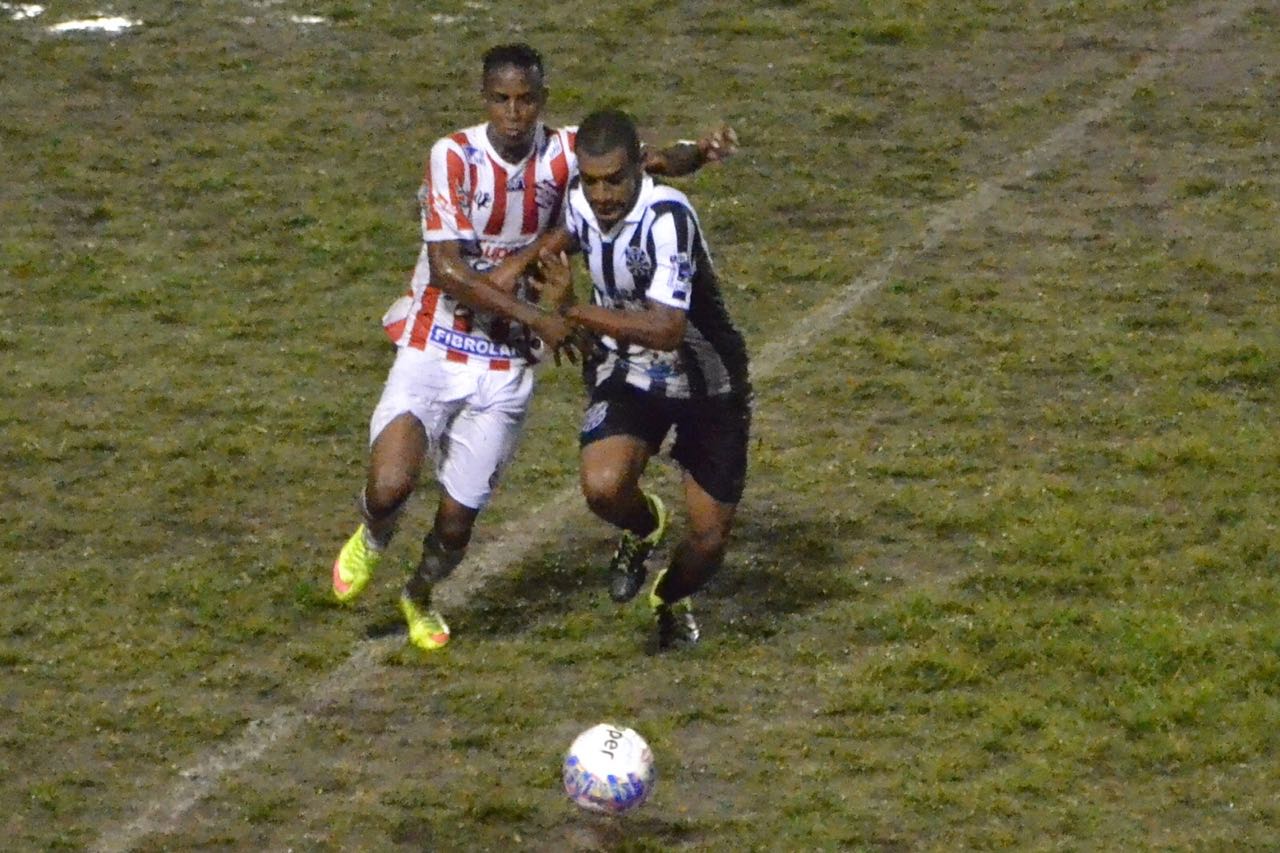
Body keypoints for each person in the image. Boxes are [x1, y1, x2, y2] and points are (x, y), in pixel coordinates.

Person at [330, 43, 737, 652]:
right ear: (484, 100)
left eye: (526, 100)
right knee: (391, 483)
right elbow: (447, 270)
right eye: (502, 100)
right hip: (435, 340)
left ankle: (418, 595)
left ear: (542, 102)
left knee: (457, 522)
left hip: (505, 364)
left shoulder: (565, 152)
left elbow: (648, 162)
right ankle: (373, 533)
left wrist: (698, 154)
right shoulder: (454, 156)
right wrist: (543, 316)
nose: (514, 113)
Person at [528, 108, 752, 651]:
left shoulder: (667, 219)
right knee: (603, 489)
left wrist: (574, 313)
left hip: (708, 385)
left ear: (638, 171)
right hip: (629, 372)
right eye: (591, 181)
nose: (602, 195)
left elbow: (667, 328)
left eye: (614, 181)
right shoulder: (583, 202)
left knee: (708, 537)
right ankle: (644, 524)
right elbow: (557, 244)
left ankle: (670, 597)